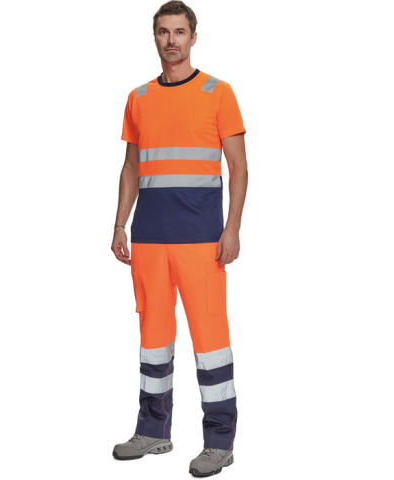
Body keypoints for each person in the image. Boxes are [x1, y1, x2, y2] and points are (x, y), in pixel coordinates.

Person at [110, 1, 248, 476]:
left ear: (193, 37)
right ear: (155, 37)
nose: (171, 40)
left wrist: (232, 228)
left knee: (211, 341)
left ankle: (219, 442)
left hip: (202, 240)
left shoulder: (218, 93)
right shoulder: (138, 97)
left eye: (179, 32)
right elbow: (131, 167)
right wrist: (119, 224)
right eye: (163, 32)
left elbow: (239, 167)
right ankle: (152, 431)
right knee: (153, 340)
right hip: (149, 239)